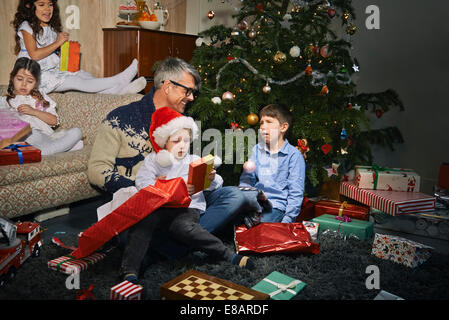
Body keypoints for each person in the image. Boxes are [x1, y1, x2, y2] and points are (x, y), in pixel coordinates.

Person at [88, 57, 248, 249]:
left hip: (186, 204)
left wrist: (204, 178)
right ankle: (185, 241)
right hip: (143, 205)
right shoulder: (120, 118)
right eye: (187, 90)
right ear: (167, 86)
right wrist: (148, 191)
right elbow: (97, 170)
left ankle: (170, 243)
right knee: (130, 231)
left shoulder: (186, 121)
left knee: (234, 196)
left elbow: (190, 166)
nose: (191, 97)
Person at [119, 107, 254, 284]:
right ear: (164, 141)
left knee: (182, 227)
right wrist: (161, 184)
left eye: (186, 140)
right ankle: (130, 270)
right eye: (176, 141)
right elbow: (142, 182)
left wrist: (211, 177)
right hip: (160, 208)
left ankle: (226, 254)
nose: (182, 145)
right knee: (143, 224)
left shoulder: (192, 159)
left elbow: (216, 184)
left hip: (188, 208)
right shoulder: (154, 160)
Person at [12, 0, 146, 95]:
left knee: (84, 75)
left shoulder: (50, 28)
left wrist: (65, 51)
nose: (47, 9)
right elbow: (34, 55)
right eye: (41, 4)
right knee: (75, 81)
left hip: (51, 70)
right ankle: (118, 79)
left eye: (50, 4)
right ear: (29, 6)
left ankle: (118, 91)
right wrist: (57, 43)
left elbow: (52, 53)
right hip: (34, 75)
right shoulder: (26, 26)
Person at [1, 57, 83, 155]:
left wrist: (33, 111)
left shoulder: (39, 99)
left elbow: (54, 120)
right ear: (12, 78)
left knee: (76, 132)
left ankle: (43, 150)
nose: (24, 84)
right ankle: (58, 148)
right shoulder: (5, 101)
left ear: (36, 83)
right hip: (21, 138)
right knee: (27, 134)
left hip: (44, 137)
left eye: (30, 81)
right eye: (19, 79)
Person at [239, 104, 306, 223]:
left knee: (260, 228)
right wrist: (245, 201)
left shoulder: (294, 156)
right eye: (261, 123)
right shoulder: (257, 150)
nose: (263, 127)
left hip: (275, 207)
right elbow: (247, 181)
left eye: (269, 122)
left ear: (283, 127)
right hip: (254, 204)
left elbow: (295, 192)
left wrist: (287, 221)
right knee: (231, 223)